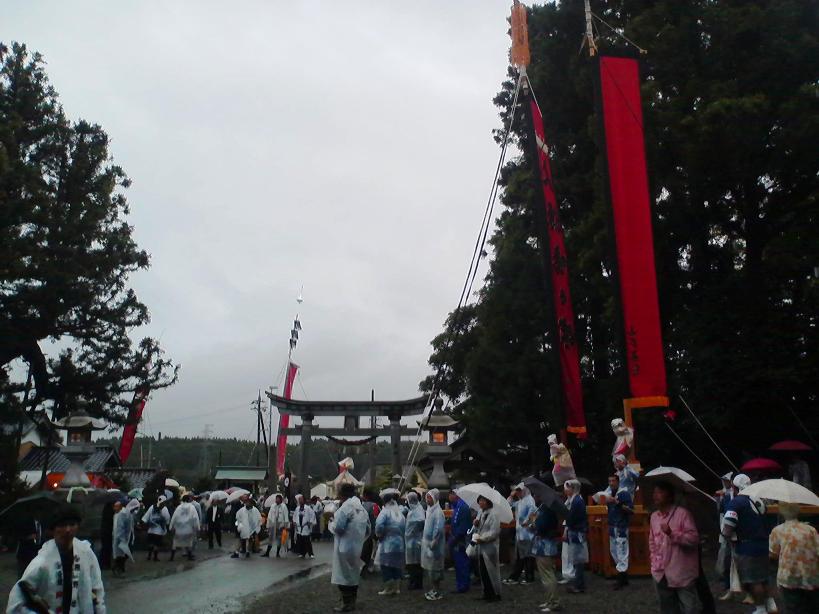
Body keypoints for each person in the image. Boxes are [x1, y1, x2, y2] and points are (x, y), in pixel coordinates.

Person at [7, 503, 106, 613]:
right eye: (62, 525)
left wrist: (99, 609)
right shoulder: (42, 562)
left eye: (72, 524)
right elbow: (16, 602)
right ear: (53, 529)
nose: (67, 530)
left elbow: (97, 587)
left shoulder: (85, 552)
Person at [723, 473, 777, 614]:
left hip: (747, 547)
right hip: (764, 544)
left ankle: (760, 608)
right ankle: (771, 604)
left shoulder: (736, 503)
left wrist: (725, 536)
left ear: (735, 487)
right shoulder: (759, 501)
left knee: (753, 581)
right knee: (764, 578)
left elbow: (728, 526)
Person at [649, 481, 700, 614]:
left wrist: (672, 534)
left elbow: (693, 539)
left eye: (660, 492)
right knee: (667, 607)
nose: (656, 495)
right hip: (660, 571)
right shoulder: (654, 517)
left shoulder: (683, 514)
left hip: (681, 570)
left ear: (670, 496)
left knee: (689, 608)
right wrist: (654, 561)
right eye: (655, 492)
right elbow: (652, 541)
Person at [768, 501, 819, 614]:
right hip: (811, 575)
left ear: (782, 512)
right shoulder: (811, 529)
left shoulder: (777, 530)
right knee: (812, 607)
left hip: (788, 575)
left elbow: (773, 553)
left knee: (793, 608)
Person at [329, 483, 370, 612]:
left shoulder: (346, 508)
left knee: (343, 576)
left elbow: (339, 528)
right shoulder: (361, 508)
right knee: (353, 576)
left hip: (344, 547)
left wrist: (331, 522)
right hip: (357, 548)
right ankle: (352, 601)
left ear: (342, 494)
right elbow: (368, 528)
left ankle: (346, 603)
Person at [604, 473, 634, 590]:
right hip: (612, 526)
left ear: (618, 482)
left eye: (613, 481)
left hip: (621, 526)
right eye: (609, 481)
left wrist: (618, 503)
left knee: (622, 551)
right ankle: (624, 576)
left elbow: (631, 510)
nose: (611, 483)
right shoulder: (609, 494)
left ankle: (621, 578)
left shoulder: (624, 493)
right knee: (614, 551)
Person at [531, 496, 560, 612]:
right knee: (546, 574)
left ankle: (553, 602)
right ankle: (549, 600)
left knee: (547, 575)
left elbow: (541, 527)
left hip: (544, 546)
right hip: (546, 544)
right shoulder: (546, 508)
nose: (535, 497)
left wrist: (534, 520)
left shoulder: (546, 510)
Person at [504, 483, 536, 585]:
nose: (517, 492)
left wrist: (527, 521)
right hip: (520, 534)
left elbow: (533, 513)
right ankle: (516, 576)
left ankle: (528, 577)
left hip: (527, 534)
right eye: (516, 490)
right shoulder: (520, 501)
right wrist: (511, 495)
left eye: (519, 490)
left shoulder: (529, 500)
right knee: (520, 557)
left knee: (528, 557)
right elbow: (508, 505)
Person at [374, 492, 406, 596]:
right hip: (399, 544)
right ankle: (397, 588)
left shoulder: (385, 512)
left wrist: (379, 535)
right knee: (397, 566)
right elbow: (404, 527)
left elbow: (379, 525)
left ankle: (388, 588)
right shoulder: (399, 513)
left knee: (386, 566)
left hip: (387, 544)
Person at [473, 495, 502, 603]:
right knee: (483, 571)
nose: (481, 503)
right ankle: (486, 592)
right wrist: (476, 524)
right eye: (480, 500)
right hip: (481, 546)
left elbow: (494, 532)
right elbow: (478, 528)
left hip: (490, 546)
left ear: (488, 501)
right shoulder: (480, 512)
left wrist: (482, 538)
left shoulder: (494, 514)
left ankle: (495, 593)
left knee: (492, 570)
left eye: (483, 500)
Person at [563, 479, 588, 594]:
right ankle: (579, 583)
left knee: (578, 559)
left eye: (568, 487)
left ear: (573, 488)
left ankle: (579, 585)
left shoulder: (577, 501)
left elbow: (571, 518)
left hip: (577, 532)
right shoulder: (574, 500)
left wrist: (565, 515)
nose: (566, 490)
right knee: (577, 559)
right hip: (576, 531)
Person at [421, 489, 446, 601]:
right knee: (431, 569)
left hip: (435, 546)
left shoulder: (438, 512)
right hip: (428, 544)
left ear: (435, 498)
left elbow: (438, 530)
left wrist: (433, 542)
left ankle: (437, 591)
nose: (427, 499)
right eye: (427, 497)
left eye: (429, 497)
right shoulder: (430, 510)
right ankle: (434, 589)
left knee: (435, 569)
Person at [715, 471, 736, 601]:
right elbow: (722, 512)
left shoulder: (741, 497)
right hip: (727, 534)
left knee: (742, 564)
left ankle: (749, 592)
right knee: (727, 562)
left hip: (740, 536)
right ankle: (729, 589)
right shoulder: (726, 497)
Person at [448, 490, 472, 594]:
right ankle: (461, 584)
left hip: (461, 540)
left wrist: (454, 539)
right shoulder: (457, 506)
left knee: (462, 563)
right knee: (459, 563)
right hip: (456, 538)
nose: (449, 496)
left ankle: (463, 585)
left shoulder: (463, 507)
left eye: (451, 494)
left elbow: (463, 527)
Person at [404, 491, 425, 591]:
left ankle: (416, 583)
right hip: (411, 540)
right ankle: (413, 581)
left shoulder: (417, 510)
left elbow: (420, 520)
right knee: (412, 563)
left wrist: (413, 529)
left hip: (415, 540)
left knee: (415, 564)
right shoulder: (414, 509)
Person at [169, 494, 201, 561]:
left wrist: (171, 526)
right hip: (188, 528)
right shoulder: (192, 507)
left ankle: (172, 557)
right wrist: (197, 527)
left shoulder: (179, 507)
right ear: (189, 499)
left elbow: (174, 517)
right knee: (189, 542)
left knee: (175, 542)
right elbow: (195, 518)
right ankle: (189, 556)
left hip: (179, 529)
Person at [13, 513, 44, 580]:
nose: (40, 514)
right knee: (22, 575)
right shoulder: (26, 523)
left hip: (37, 554)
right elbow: (18, 536)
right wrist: (28, 537)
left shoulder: (42, 524)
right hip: (25, 554)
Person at [141, 495, 170, 561]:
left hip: (151, 529)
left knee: (151, 543)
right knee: (157, 544)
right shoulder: (164, 508)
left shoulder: (152, 507)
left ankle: (149, 556)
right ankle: (155, 557)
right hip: (159, 530)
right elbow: (167, 518)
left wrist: (143, 523)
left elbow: (146, 517)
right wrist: (167, 525)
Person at [112, 500, 138, 575]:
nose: (115, 508)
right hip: (120, 537)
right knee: (121, 553)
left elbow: (126, 526)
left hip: (126, 536)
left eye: (116, 506)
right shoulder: (118, 514)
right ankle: (118, 568)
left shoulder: (125, 514)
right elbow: (117, 527)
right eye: (115, 506)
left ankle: (119, 567)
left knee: (125, 552)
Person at [263, 493, 289, 558]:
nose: (277, 500)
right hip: (273, 523)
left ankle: (277, 553)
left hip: (280, 524)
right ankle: (267, 553)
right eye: (276, 499)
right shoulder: (273, 506)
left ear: (281, 500)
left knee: (279, 539)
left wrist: (286, 526)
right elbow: (269, 515)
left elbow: (286, 516)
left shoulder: (284, 507)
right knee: (270, 538)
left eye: (278, 499)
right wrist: (268, 525)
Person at [292, 494, 317, 559]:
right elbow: (294, 516)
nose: (300, 501)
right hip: (299, 527)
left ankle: (311, 553)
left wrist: (310, 522)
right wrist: (294, 522)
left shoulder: (308, 508)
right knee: (300, 541)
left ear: (304, 500)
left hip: (305, 526)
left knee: (307, 541)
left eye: (301, 499)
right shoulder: (297, 508)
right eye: (299, 499)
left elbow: (313, 515)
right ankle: (302, 553)